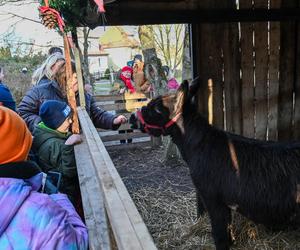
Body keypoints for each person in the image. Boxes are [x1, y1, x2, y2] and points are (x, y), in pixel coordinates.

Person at [0, 106, 88, 250]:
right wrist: (59, 198)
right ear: (21, 148)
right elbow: (79, 243)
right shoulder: (42, 211)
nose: (71, 121)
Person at [18, 61, 127, 133]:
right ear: (64, 76)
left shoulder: (85, 96)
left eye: (79, 77)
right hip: (53, 147)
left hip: (79, 143)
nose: (78, 81)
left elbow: (96, 115)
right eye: (75, 77)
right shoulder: (40, 91)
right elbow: (23, 113)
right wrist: (47, 125)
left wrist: (113, 120)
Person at [32, 100, 81, 206]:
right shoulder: (53, 144)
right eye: (67, 119)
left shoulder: (44, 132)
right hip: (65, 194)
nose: (71, 122)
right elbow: (68, 172)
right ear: (56, 122)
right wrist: (68, 146)